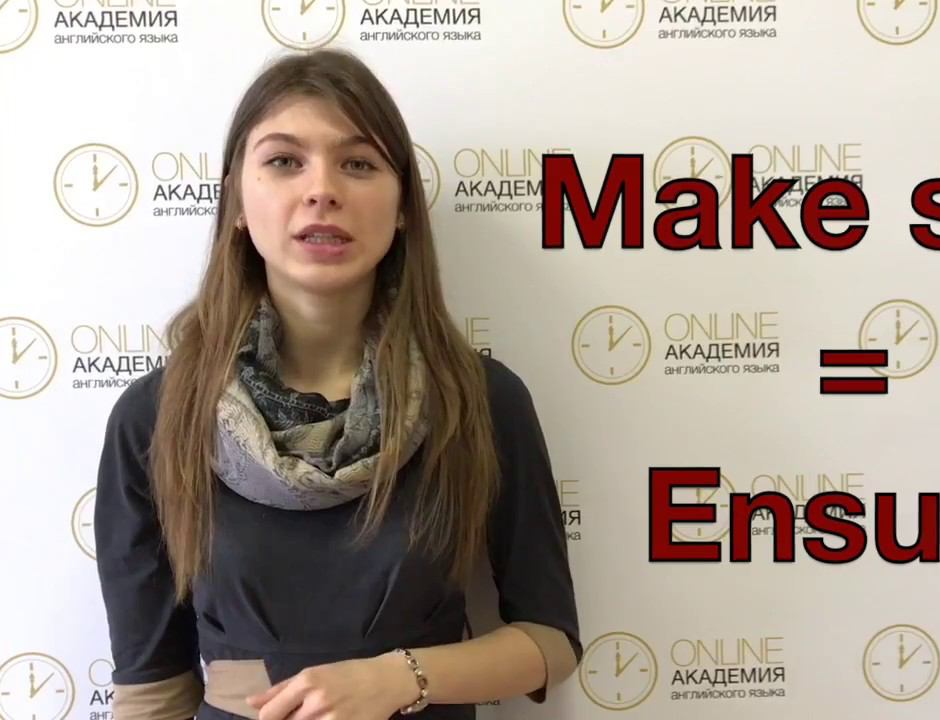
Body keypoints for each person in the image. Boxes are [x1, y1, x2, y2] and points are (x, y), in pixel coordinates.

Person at [92, 48, 581, 720]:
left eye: (358, 163)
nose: (321, 189)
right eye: (284, 161)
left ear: (403, 206)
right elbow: (153, 688)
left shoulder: (479, 400)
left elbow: (549, 643)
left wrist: (399, 677)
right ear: (236, 201)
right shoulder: (157, 415)